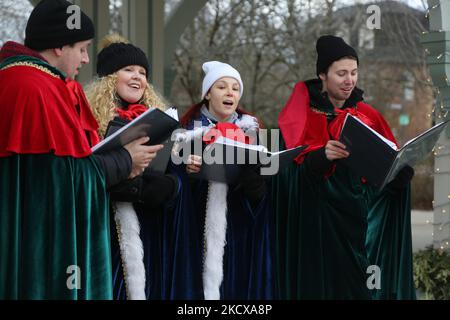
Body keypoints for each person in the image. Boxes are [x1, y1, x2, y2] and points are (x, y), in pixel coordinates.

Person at [0, 0, 155, 299]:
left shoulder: (24, 79)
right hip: (41, 263)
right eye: (82, 48)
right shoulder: (35, 88)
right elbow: (61, 182)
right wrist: (125, 159)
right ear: (60, 46)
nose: (85, 59)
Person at [274, 35, 416, 299]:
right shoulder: (300, 115)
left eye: (354, 72)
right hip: (318, 229)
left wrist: (400, 173)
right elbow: (286, 178)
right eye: (341, 73)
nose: (349, 80)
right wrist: (320, 158)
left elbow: (386, 171)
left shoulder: (368, 114)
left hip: (362, 228)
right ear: (323, 75)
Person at [85, 34, 202, 300]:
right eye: (128, 69)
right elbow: (85, 175)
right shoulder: (88, 122)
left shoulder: (159, 118)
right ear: (109, 77)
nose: (138, 76)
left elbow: (175, 173)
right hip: (108, 238)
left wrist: (174, 184)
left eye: (142, 71)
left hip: (152, 232)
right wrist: (131, 185)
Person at [180, 61, 275, 300]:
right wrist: (187, 172)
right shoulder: (186, 133)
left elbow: (262, 199)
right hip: (195, 231)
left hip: (239, 232)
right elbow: (175, 190)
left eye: (235, 88)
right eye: (221, 86)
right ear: (208, 93)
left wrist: (254, 180)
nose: (230, 92)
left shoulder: (254, 134)